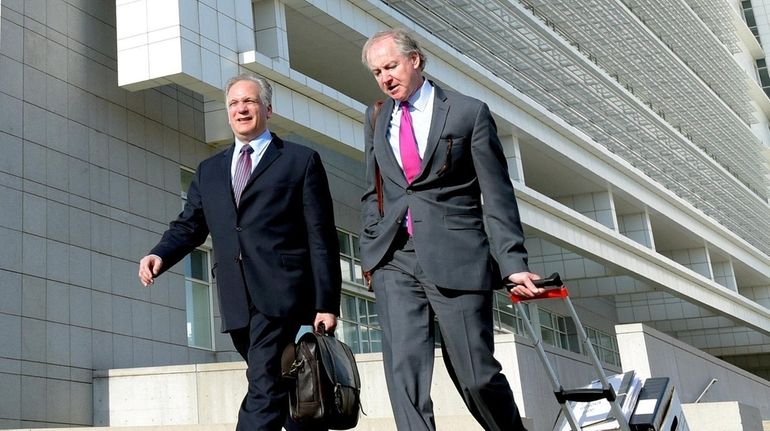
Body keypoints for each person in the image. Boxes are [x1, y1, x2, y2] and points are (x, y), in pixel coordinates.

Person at [359, 28, 545, 430]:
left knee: (476, 376)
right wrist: (371, 246)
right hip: (394, 259)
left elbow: (497, 195)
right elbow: (371, 190)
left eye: (391, 66)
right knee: (404, 377)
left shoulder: (467, 113)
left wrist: (513, 262)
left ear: (415, 60)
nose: (385, 78)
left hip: (456, 258)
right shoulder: (375, 116)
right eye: (377, 72)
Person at [138, 73, 341, 431]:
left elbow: (320, 235)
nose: (241, 109)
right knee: (277, 383)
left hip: (282, 292)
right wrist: (161, 254)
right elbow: (190, 225)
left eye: (249, 101)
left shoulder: (299, 160)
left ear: (268, 108)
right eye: (233, 103)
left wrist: (327, 302)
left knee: (263, 383)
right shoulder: (209, 170)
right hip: (235, 296)